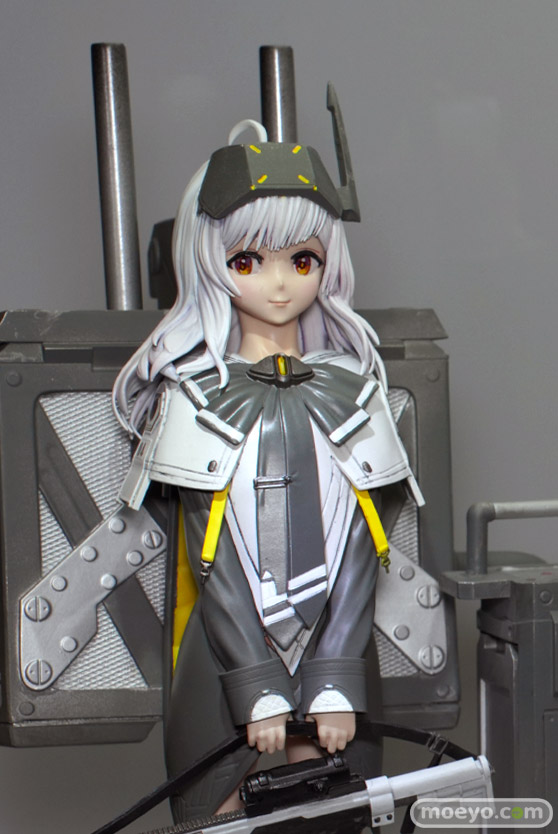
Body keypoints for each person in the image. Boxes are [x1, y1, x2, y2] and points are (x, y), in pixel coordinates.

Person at [113, 119, 423, 820]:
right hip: (224, 649)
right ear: (211, 260)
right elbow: (211, 558)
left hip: (334, 636)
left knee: (334, 810)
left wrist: (336, 674)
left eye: (302, 260)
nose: (279, 282)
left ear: (326, 263)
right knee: (215, 810)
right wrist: (254, 681)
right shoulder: (196, 395)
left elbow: (361, 550)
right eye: (249, 260)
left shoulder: (355, 390)